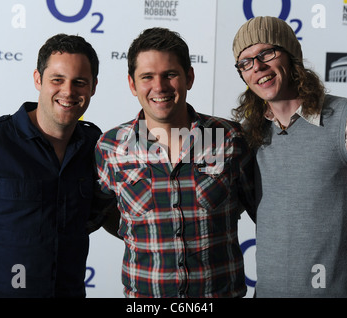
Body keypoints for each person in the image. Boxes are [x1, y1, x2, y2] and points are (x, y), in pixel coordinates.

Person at [231, 16, 347, 298]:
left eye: (266, 53)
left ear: (292, 57)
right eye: (245, 62)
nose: (257, 66)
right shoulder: (249, 136)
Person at [96, 27, 255, 298]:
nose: (159, 87)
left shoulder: (228, 137)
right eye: (147, 77)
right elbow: (104, 214)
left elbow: (263, 211)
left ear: (189, 77)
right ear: (132, 84)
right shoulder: (111, 147)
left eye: (170, 74)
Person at [0, 34, 106, 297]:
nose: (68, 91)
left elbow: (110, 214)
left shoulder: (95, 148)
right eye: (57, 79)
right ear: (37, 79)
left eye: (79, 82)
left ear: (93, 86)